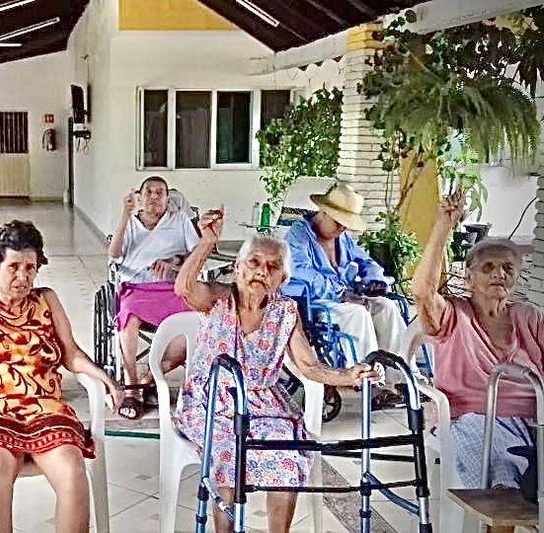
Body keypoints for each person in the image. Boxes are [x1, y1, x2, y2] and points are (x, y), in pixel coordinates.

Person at [174, 207, 381, 533]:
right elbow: (184, 288)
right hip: (210, 399)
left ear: (282, 279)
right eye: (254, 263)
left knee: (288, 446)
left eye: (272, 267)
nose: (261, 271)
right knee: (229, 449)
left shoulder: (285, 311)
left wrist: (348, 375)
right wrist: (206, 243)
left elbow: (309, 365)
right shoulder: (218, 298)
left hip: (263, 401)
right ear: (237, 268)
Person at [0, 220, 122, 533]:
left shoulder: (47, 300)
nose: (23, 277)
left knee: (73, 476)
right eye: (14, 267)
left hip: (45, 408)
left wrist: (106, 378)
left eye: (30, 268)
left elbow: (70, 353)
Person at [412, 188, 543, 489]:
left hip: (535, 419)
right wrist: (443, 226)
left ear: (517, 278)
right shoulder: (455, 315)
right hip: (473, 418)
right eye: (488, 267)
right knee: (504, 479)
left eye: (508, 268)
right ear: (469, 278)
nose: (499, 273)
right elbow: (422, 292)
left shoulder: (529, 317)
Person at [282, 182, 407, 408]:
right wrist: (341, 293)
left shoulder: (343, 239)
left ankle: (399, 378)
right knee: (357, 313)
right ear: (324, 212)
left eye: (345, 225)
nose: (341, 229)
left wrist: (375, 281)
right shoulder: (298, 236)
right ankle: (370, 384)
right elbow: (301, 272)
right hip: (316, 303)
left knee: (387, 307)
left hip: (348, 297)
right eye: (338, 222)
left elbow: (366, 261)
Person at [108, 176, 199, 420]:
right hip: (136, 288)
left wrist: (175, 262)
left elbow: (197, 254)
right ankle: (131, 383)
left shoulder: (179, 220)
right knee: (128, 315)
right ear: (140, 196)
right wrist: (124, 216)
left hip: (173, 288)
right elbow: (114, 254)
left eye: (160, 192)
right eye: (149, 191)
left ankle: (149, 379)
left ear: (168, 199)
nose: (154, 196)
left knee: (195, 323)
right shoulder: (131, 222)